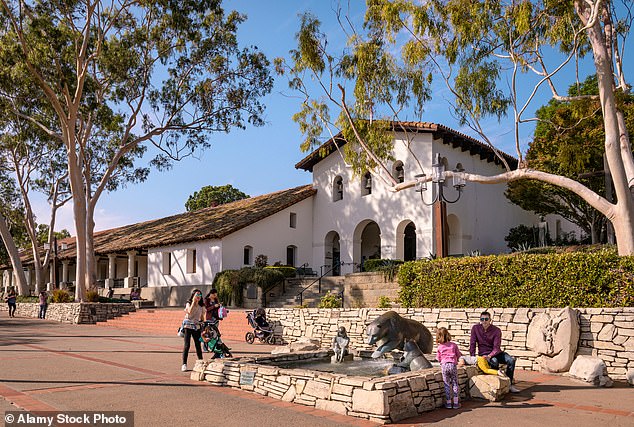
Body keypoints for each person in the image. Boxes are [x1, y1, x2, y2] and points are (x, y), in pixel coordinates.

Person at [470, 311, 519, 393]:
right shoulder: (475, 328)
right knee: (494, 362)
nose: (484, 321)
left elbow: (496, 347)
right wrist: (472, 357)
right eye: (482, 319)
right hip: (484, 354)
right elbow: (472, 343)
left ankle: (509, 385)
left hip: (497, 353)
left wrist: (490, 355)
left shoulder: (496, 330)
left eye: (486, 319)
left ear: (490, 320)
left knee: (511, 360)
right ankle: (497, 385)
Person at [436, 327, 462, 409]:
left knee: (446, 384)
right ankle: (456, 403)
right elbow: (458, 355)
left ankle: (448, 403)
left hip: (444, 366)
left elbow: (438, 358)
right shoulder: (453, 345)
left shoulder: (440, 347)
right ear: (448, 334)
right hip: (452, 365)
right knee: (454, 383)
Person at [181, 289, 205, 372]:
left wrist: (202, 321)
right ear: (193, 296)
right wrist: (194, 302)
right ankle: (184, 364)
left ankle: (201, 361)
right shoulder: (189, 303)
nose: (198, 297)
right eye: (196, 296)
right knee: (187, 345)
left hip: (196, 327)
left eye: (200, 296)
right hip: (188, 326)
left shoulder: (201, 306)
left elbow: (202, 318)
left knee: (198, 345)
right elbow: (190, 312)